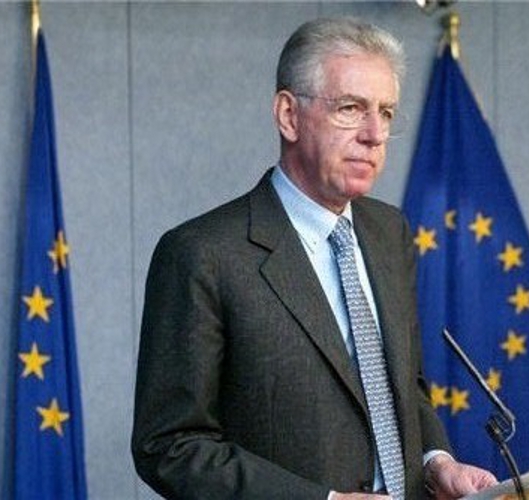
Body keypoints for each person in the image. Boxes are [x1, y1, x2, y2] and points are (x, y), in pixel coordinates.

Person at [132, 17, 498, 499]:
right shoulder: (202, 254)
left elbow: (402, 389)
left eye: (386, 113)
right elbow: (170, 446)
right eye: (351, 108)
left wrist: (436, 462)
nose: (374, 134)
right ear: (289, 115)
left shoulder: (389, 231)